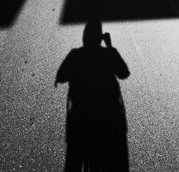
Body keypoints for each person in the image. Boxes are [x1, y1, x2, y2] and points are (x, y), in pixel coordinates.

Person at [55, 20, 130, 172]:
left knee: (73, 159)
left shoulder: (75, 55)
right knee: (118, 158)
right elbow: (123, 73)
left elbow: (61, 76)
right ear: (99, 38)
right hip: (108, 117)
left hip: (81, 116)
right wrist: (110, 46)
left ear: (85, 37)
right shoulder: (109, 54)